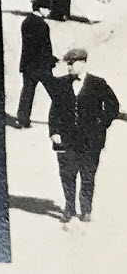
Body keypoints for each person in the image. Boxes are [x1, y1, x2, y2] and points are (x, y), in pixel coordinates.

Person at [48, 47, 119, 223]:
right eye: (68, 64)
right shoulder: (61, 84)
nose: (69, 68)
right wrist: (54, 132)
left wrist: (101, 123)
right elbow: (54, 110)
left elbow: (113, 107)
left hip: (91, 141)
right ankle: (69, 208)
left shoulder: (98, 84)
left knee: (87, 176)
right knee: (67, 175)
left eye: (71, 64)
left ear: (82, 63)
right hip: (67, 139)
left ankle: (86, 209)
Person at [17, 0, 57, 129]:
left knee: (27, 93)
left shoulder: (26, 22)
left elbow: (30, 47)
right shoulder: (42, 25)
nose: (50, 11)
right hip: (41, 66)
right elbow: (43, 48)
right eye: (48, 8)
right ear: (41, 8)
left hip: (28, 65)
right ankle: (63, 119)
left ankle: (22, 120)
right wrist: (52, 59)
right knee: (56, 92)